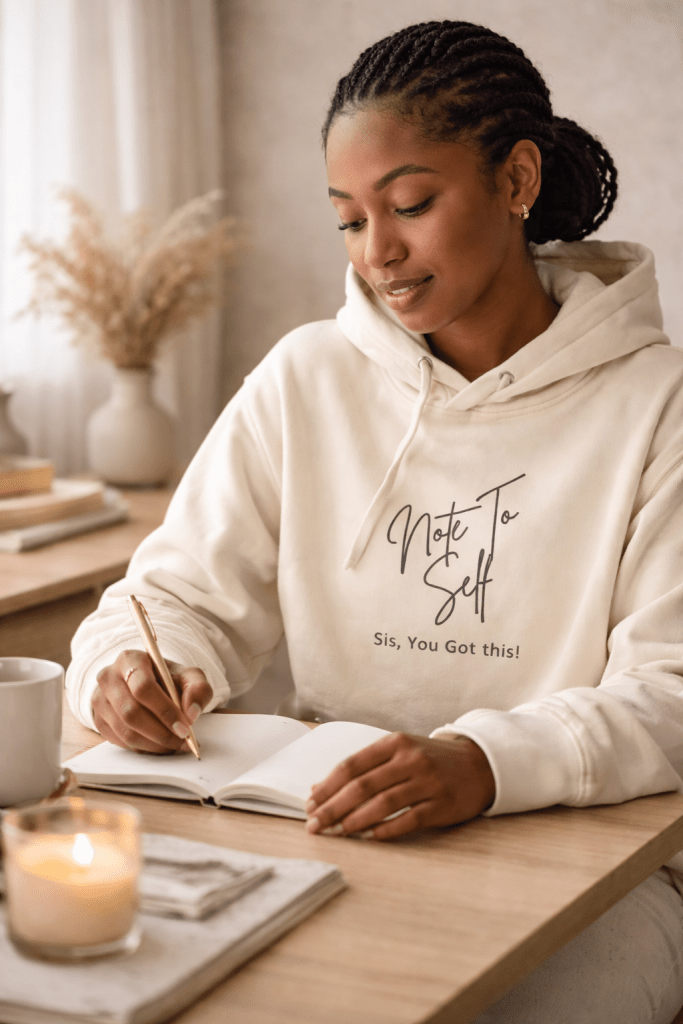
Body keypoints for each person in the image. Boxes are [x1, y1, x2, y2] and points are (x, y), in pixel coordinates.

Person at [67, 20, 683, 1022]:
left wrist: (479, 763)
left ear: (515, 179)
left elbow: (669, 694)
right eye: (349, 220)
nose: (377, 254)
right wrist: (135, 669)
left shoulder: (658, 403)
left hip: (596, 870)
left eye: (408, 204)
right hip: (331, 830)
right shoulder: (303, 377)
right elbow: (164, 597)